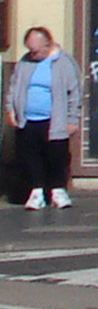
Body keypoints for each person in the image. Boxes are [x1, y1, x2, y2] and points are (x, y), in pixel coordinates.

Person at [5, 27, 79, 209]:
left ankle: (57, 190)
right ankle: (37, 191)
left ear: (48, 45)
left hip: (54, 120)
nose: (33, 54)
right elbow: (14, 87)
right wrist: (11, 110)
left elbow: (74, 92)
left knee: (56, 156)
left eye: (36, 51)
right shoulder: (25, 62)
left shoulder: (63, 63)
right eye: (30, 50)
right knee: (31, 156)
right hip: (29, 119)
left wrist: (72, 118)